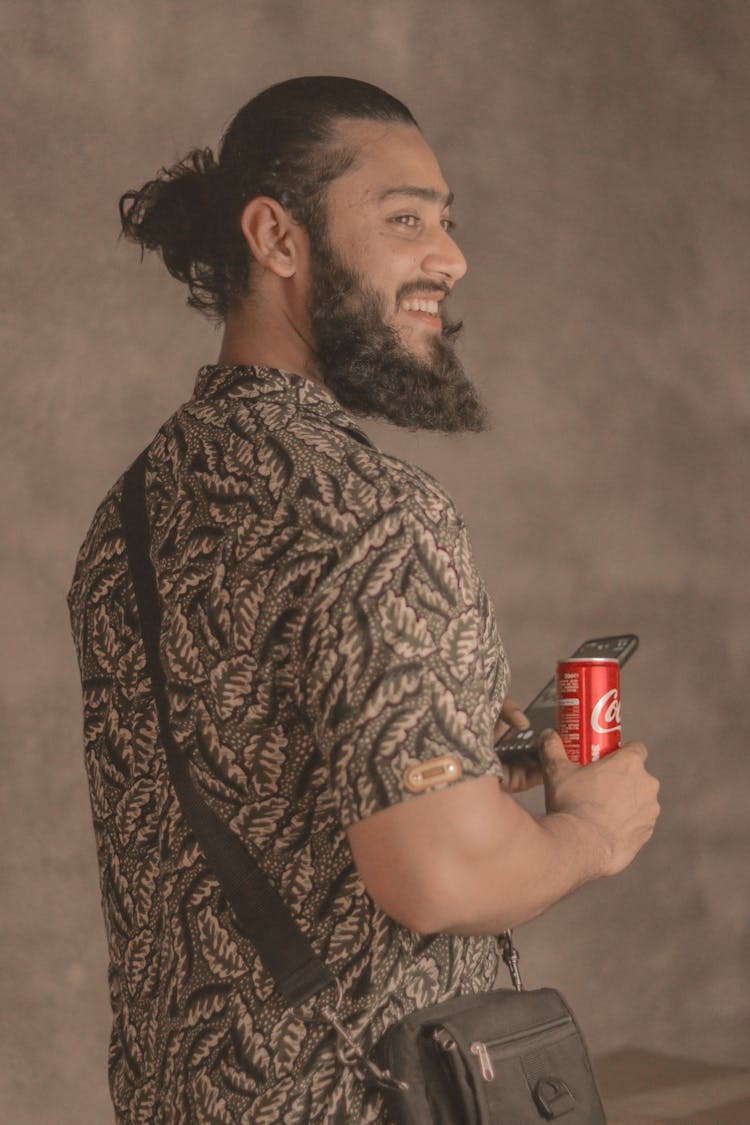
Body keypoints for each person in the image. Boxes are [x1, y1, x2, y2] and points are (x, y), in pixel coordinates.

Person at [67, 76, 660, 1124]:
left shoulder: (130, 519)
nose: (450, 257)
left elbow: (257, 785)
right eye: (405, 220)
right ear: (276, 238)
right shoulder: (369, 510)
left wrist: (485, 763)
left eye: (447, 221)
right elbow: (439, 879)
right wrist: (591, 832)